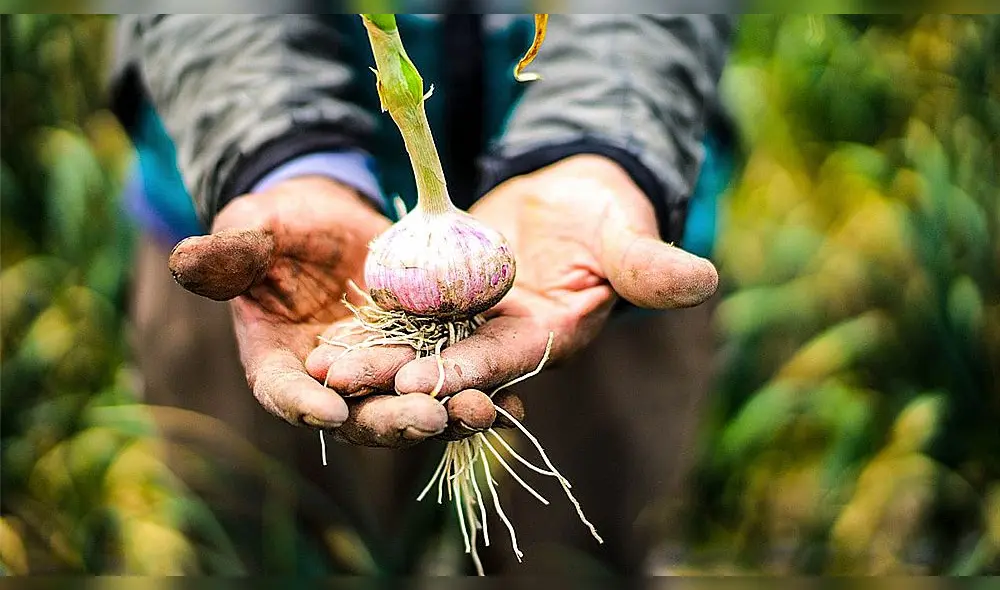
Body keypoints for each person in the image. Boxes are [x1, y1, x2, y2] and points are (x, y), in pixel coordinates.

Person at [108, 13, 736, 575]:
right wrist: (279, 154)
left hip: (607, 236)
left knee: (574, 561)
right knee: (267, 549)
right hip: (260, 229)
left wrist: (603, 147)